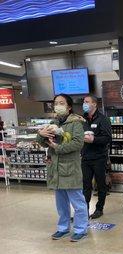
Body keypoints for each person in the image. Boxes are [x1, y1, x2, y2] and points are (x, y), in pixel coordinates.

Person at [37, 94, 89, 242]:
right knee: (61, 204)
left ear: (69, 107)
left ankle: (81, 229)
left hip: (70, 169)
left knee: (78, 202)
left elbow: (78, 143)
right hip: (56, 170)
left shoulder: (76, 123)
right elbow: (42, 142)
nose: (57, 105)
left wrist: (57, 147)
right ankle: (63, 228)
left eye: (61, 103)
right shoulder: (53, 122)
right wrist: (41, 135)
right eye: (56, 103)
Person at [81, 94, 112, 219]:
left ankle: (99, 209)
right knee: (85, 185)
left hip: (99, 157)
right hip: (86, 157)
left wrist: (93, 140)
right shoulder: (82, 120)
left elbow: (107, 138)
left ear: (94, 104)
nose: (84, 104)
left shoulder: (103, 119)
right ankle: (84, 211)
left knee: (100, 184)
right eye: (84, 102)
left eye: (87, 101)